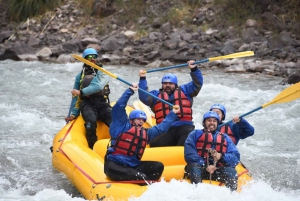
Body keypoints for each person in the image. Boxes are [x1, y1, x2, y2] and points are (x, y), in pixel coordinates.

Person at [104, 84, 180, 182]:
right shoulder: (121, 126)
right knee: (141, 177)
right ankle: (142, 183)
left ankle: (148, 187)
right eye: (138, 119)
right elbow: (119, 107)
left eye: (143, 120)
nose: (141, 121)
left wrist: (173, 113)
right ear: (131, 120)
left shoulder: (145, 133)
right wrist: (129, 91)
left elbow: (161, 128)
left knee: (158, 166)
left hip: (132, 166)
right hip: (114, 165)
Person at [138, 60, 203, 147]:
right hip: (165, 128)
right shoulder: (156, 95)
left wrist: (194, 69)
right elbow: (143, 96)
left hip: (184, 127)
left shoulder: (186, 90)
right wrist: (142, 79)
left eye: (170, 83)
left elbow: (197, 84)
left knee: (188, 137)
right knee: (155, 143)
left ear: (175, 85)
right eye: (165, 83)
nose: (167, 85)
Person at [65, 47, 112, 149]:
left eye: (94, 56)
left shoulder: (103, 72)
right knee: (91, 120)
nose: (92, 59)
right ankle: (92, 147)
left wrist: (81, 92)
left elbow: (98, 86)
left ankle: (118, 145)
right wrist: (74, 114)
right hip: (87, 103)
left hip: (101, 103)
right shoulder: (80, 76)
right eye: (89, 57)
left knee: (114, 120)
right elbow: (75, 97)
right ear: (85, 59)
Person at [184, 111, 240, 191]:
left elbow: (235, 158)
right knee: (194, 167)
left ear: (217, 123)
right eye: (209, 120)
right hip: (200, 168)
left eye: (214, 121)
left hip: (217, 170)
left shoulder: (225, 138)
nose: (212, 123)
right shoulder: (194, 134)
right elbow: (189, 154)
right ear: (204, 122)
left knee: (231, 172)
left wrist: (221, 156)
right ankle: (197, 194)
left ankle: (231, 196)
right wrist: (205, 166)